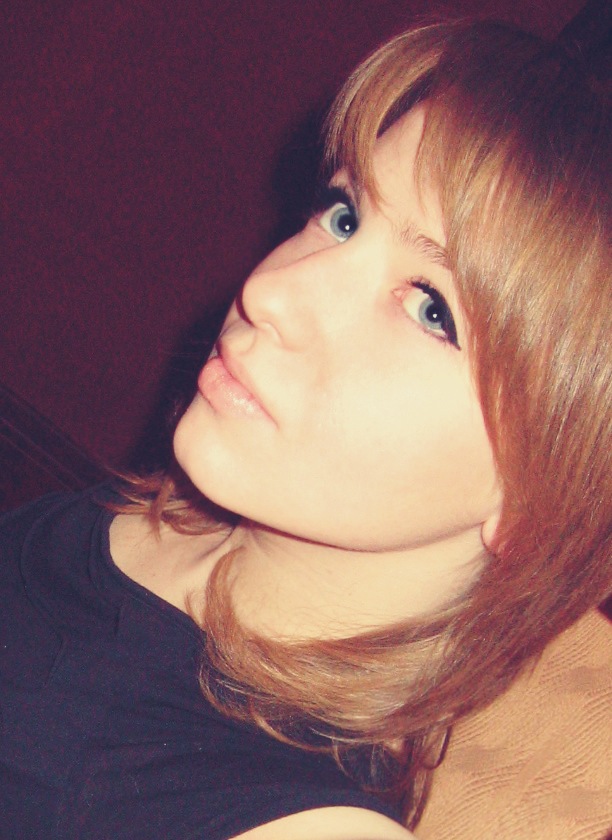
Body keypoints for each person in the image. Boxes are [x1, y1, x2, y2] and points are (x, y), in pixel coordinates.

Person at [1, 17, 609, 840]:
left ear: (542, 502)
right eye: (344, 215)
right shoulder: (177, 529)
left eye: (432, 309)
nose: (271, 294)